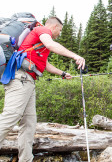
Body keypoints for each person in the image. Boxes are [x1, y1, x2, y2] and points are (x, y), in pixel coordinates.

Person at [0, 17, 85, 162]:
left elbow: (44, 64)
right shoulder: (42, 30)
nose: (60, 33)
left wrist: (62, 73)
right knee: (11, 116)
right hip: (20, 78)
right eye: (60, 29)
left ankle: (26, 159)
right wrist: (75, 56)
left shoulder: (39, 44)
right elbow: (51, 44)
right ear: (54, 26)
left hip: (28, 81)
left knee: (29, 123)